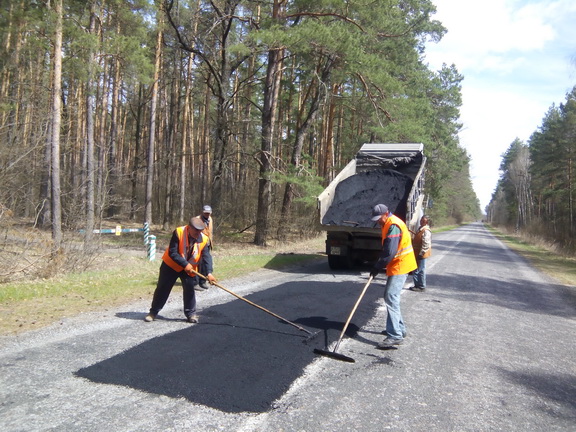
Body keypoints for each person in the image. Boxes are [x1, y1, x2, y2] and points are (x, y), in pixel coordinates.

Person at [144, 216, 216, 323]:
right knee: (162, 288)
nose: (198, 233)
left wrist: (209, 273)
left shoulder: (204, 239)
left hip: (189, 269)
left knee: (189, 289)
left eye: (200, 231)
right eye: (196, 231)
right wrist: (184, 264)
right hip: (171, 265)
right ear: (189, 227)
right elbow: (172, 252)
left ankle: (191, 314)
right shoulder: (179, 232)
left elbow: (206, 257)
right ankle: (153, 313)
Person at [369, 204, 417, 349]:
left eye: (380, 218)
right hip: (397, 265)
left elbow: (389, 251)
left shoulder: (393, 225)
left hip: (401, 265)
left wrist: (377, 266)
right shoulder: (388, 223)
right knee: (391, 297)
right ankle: (399, 329)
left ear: (386, 213)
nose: (378, 221)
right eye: (376, 219)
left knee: (390, 297)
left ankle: (395, 335)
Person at [410, 215, 431, 292]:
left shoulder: (426, 231)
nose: (421, 221)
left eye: (423, 221)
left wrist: (421, 254)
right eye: (421, 220)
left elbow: (426, 244)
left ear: (427, 222)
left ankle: (421, 286)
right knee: (415, 269)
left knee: (421, 270)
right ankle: (417, 285)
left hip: (421, 253)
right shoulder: (420, 229)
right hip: (416, 252)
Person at [196, 205, 214, 291]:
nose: (207, 214)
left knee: (205, 263)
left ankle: (202, 281)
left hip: (207, 243)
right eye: (205, 213)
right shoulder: (197, 219)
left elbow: (210, 232)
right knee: (197, 263)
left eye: (208, 213)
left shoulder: (210, 220)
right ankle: (195, 282)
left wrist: (210, 242)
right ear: (202, 212)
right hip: (198, 244)